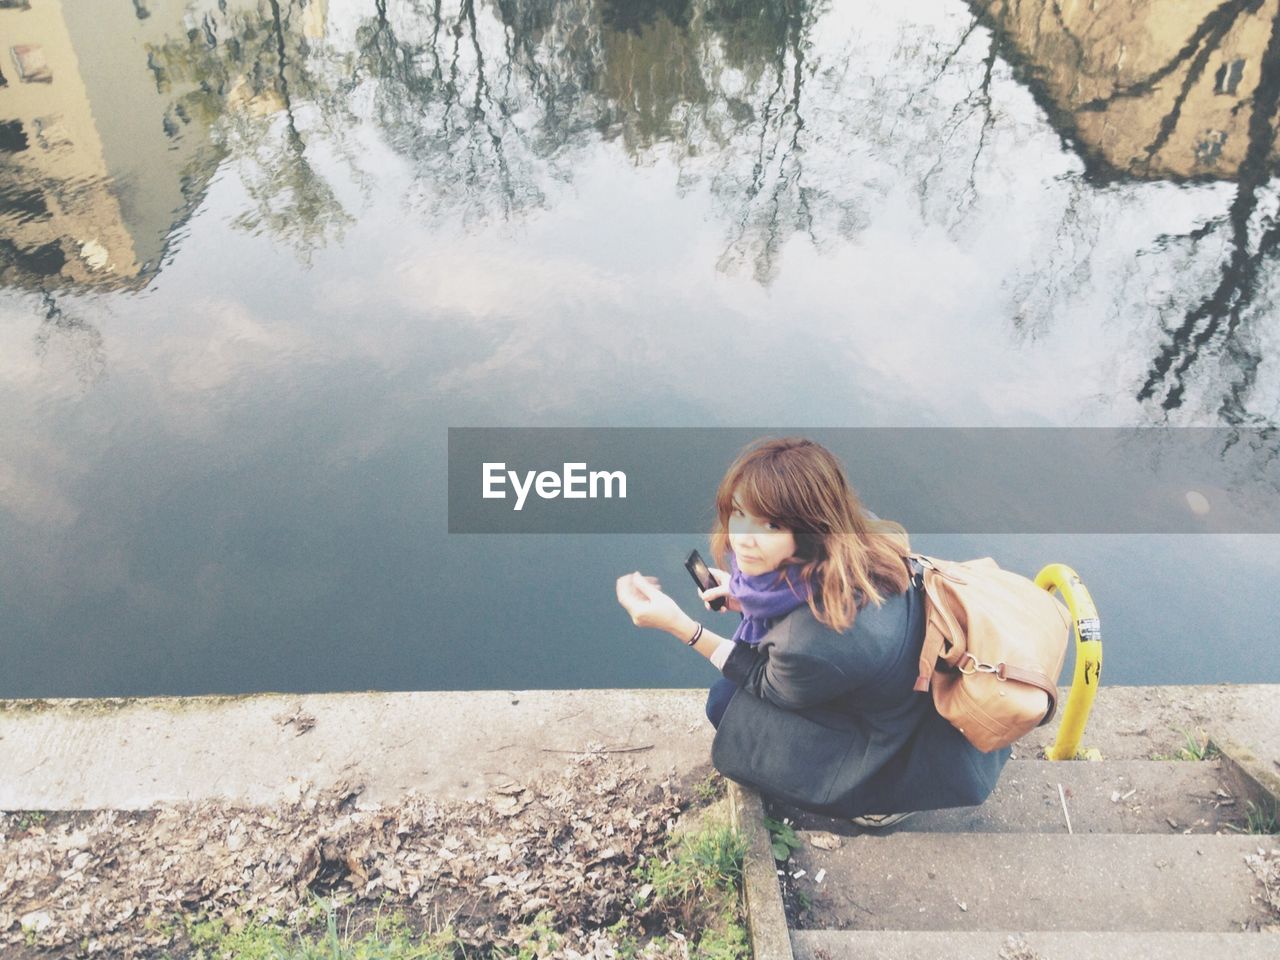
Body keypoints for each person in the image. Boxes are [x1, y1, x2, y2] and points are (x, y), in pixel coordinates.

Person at [615, 436, 1010, 826]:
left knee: (726, 702)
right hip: (912, 691)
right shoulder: (860, 536)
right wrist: (742, 596)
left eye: (771, 524)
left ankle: (878, 799)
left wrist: (682, 627)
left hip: (899, 742)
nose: (743, 538)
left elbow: (763, 680)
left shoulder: (813, 640)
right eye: (739, 512)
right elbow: (791, 602)